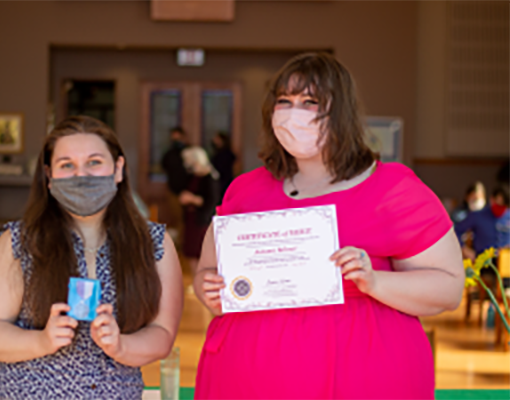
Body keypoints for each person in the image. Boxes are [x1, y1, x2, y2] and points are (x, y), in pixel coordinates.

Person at [193, 53, 464, 400]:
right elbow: (208, 271)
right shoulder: (246, 190)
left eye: (310, 101)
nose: (294, 112)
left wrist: (375, 281)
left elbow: (448, 288)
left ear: (341, 113)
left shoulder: (394, 190)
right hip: (249, 376)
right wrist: (208, 288)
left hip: (363, 375)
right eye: (284, 101)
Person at [0, 116, 183, 399]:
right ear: (49, 176)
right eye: (67, 165)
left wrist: (121, 346)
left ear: (118, 169)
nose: (82, 175)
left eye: (94, 162)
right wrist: (40, 341)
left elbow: (162, 334)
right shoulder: (19, 243)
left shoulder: (153, 243)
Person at [179, 147, 220, 275]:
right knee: (190, 251)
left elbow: (212, 201)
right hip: (191, 217)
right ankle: (194, 278)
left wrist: (192, 199)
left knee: (201, 251)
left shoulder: (210, 177)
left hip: (203, 220)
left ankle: (203, 280)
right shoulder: (192, 176)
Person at [161, 127, 190, 247]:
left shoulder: (188, 152)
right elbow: (164, 165)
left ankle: (184, 242)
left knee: (186, 218)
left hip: (188, 190)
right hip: (173, 189)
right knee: (175, 216)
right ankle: (176, 242)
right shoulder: (169, 153)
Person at [210, 132, 236, 200]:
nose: (214, 140)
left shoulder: (226, 154)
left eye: (217, 138)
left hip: (223, 181)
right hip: (218, 181)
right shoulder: (216, 152)